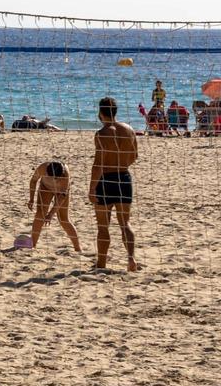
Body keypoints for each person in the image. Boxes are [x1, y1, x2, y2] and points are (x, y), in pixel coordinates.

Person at [89, 96, 139, 272]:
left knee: (103, 226)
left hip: (106, 180)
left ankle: (101, 263)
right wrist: (121, 164)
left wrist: (91, 188)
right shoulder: (129, 130)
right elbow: (134, 156)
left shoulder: (101, 134)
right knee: (125, 223)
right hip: (124, 178)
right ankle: (131, 259)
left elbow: (98, 164)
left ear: (100, 113)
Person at [27, 161, 81, 252]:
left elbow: (61, 198)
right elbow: (33, 181)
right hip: (46, 188)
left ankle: (78, 248)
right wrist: (31, 199)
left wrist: (51, 214)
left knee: (64, 219)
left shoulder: (65, 174)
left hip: (61, 192)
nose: (55, 180)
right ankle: (33, 245)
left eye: (57, 178)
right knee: (39, 215)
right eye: (52, 177)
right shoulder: (42, 168)